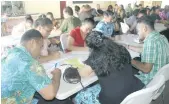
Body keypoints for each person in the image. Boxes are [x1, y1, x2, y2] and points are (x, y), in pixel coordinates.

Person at [74, 31, 144, 104]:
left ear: (90, 47)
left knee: (78, 97)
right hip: (135, 90)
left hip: (116, 100)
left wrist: (79, 65)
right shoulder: (121, 48)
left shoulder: (95, 57)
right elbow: (113, 67)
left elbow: (83, 74)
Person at [1, 29, 61, 104]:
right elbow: (50, 95)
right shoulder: (30, 63)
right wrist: (57, 75)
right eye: (40, 47)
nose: (40, 51)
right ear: (33, 42)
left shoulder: (9, 52)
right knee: (62, 101)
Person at [130, 16, 169, 85]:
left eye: (138, 31)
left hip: (150, 81)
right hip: (160, 79)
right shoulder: (162, 37)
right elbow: (150, 51)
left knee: (125, 73)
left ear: (144, 29)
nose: (138, 33)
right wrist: (129, 47)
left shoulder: (150, 42)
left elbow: (146, 69)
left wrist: (129, 60)